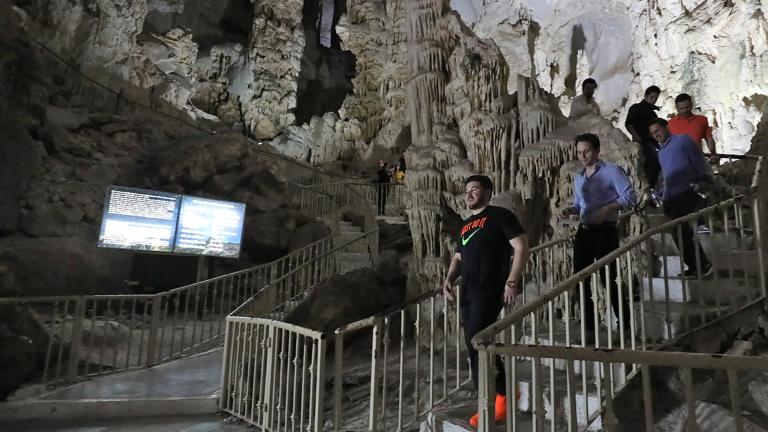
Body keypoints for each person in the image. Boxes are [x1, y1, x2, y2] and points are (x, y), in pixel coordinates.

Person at [441, 175, 530, 428]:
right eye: (467, 190)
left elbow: (521, 246)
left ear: (488, 192)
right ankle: (502, 395)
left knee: (477, 344)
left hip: (488, 289)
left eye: (475, 189)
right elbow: (458, 256)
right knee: (475, 346)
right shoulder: (466, 224)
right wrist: (448, 279)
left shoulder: (500, 216)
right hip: (467, 291)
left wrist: (512, 281)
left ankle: (492, 403)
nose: (468, 194)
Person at [560, 133, 635, 335]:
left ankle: (624, 325)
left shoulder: (612, 172)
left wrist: (607, 209)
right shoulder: (579, 178)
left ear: (596, 150)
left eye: (586, 151)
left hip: (605, 232)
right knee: (581, 280)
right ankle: (589, 327)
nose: (583, 156)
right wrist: (570, 211)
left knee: (609, 279)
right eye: (579, 152)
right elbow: (579, 205)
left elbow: (630, 196)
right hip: (584, 232)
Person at [648, 119, 713, 278]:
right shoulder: (661, 152)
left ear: (665, 127)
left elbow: (697, 159)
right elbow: (666, 175)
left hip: (686, 191)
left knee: (684, 231)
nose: (656, 135)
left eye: (658, 130)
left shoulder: (683, 140)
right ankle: (694, 265)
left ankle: (703, 264)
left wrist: (702, 179)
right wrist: (660, 193)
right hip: (670, 196)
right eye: (653, 133)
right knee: (679, 233)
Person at [626, 86, 662, 187]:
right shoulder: (636, 108)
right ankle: (650, 186)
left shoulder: (653, 113)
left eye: (656, 98)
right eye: (652, 97)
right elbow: (629, 124)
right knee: (652, 161)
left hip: (653, 142)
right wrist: (636, 136)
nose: (654, 100)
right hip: (642, 141)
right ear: (645, 96)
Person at [669, 93, 720, 163]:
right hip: (677, 163)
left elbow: (709, 138)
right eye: (681, 108)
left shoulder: (702, 120)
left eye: (687, 107)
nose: (685, 110)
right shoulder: (670, 124)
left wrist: (713, 153)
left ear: (691, 104)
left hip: (697, 162)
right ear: (677, 108)